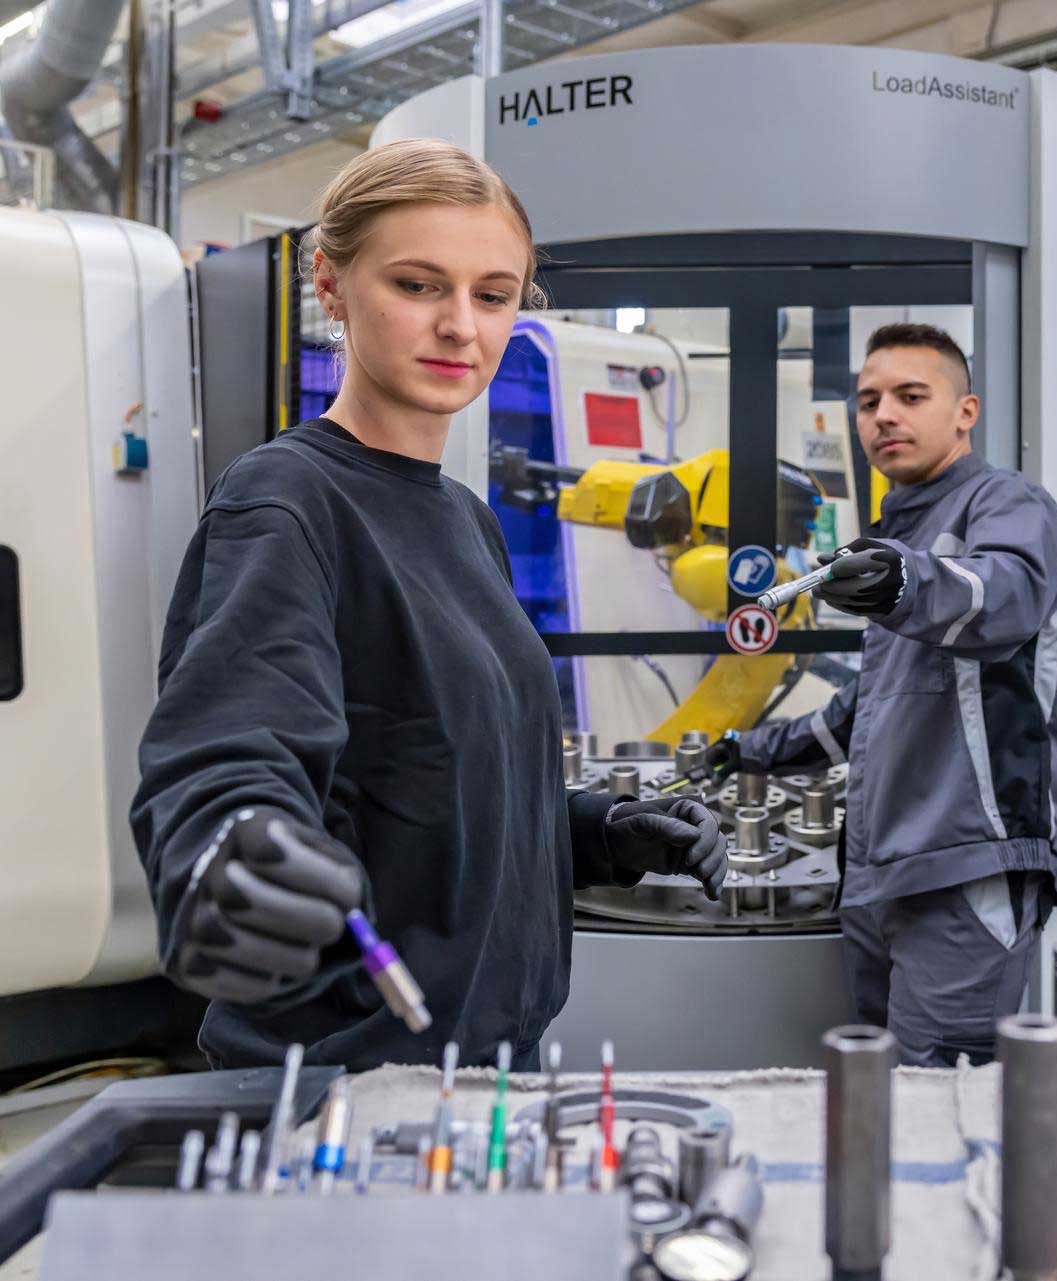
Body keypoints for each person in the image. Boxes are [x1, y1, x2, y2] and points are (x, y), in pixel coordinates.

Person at [130, 140, 726, 1072]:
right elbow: (232, 750)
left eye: (493, 295)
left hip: (489, 1060)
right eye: (418, 285)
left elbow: (424, 776)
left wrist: (591, 831)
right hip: (350, 1077)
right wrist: (229, 853)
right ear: (331, 286)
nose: (460, 326)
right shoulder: (288, 502)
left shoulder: (464, 520)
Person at [709, 323, 1057, 1068]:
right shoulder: (898, 533)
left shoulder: (1007, 507)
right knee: (882, 1098)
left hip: (968, 865)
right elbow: (870, 708)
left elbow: (1000, 593)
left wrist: (903, 580)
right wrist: (746, 752)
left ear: (965, 411)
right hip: (882, 874)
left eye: (911, 396)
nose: (884, 415)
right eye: (869, 400)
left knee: (938, 1102)